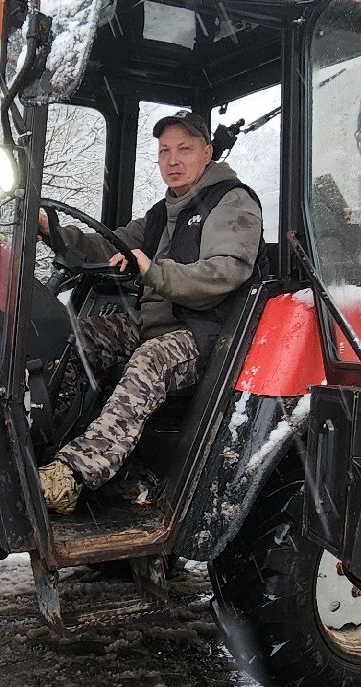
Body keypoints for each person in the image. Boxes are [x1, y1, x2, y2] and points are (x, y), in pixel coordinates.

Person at [35, 111, 263, 516]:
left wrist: (153, 271)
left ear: (207, 153)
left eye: (184, 149)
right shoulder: (163, 212)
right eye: (164, 152)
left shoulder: (231, 201)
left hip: (207, 334)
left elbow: (225, 271)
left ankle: (73, 475)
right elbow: (107, 245)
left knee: (151, 359)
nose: (172, 160)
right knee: (73, 336)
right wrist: (50, 230)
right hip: (153, 325)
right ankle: (48, 443)